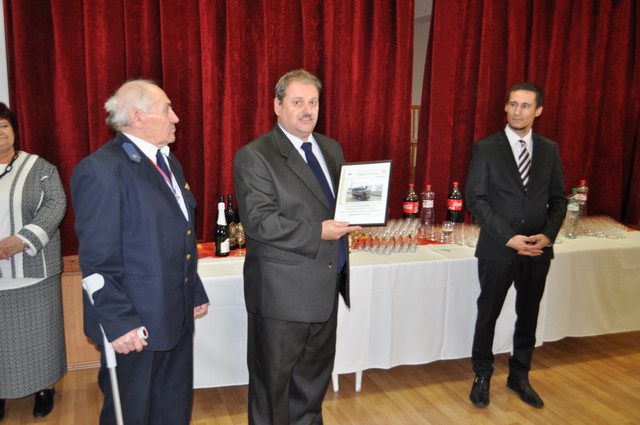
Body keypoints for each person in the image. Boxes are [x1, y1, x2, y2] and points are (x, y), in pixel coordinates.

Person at [70, 80, 209, 425]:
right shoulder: (102, 170)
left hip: (174, 313)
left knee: (172, 411)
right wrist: (119, 323)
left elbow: (180, 235)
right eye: (167, 109)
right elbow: (97, 259)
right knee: (131, 414)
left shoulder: (168, 163)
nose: (176, 118)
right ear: (136, 117)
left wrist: (194, 290)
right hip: (135, 324)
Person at [234, 69, 361, 424]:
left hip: (326, 287)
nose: (308, 110)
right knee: (272, 390)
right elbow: (260, 222)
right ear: (277, 106)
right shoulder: (256, 155)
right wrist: (319, 232)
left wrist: (359, 211)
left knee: (312, 386)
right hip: (282, 296)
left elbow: (339, 204)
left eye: (314, 102)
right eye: (298, 102)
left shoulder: (331, 148)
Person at [465, 82, 567, 408]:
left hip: (537, 249)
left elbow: (559, 199)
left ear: (538, 110)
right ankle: (482, 375)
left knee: (528, 315)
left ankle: (519, 375)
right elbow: (476, 199)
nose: (517, 111)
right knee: (488, 314)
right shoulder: (486, 147)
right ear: (505, 107)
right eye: (512, 104)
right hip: (498, 248)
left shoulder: (549, 149)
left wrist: (548, 235)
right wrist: (508, 237)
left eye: (525, 106)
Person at [0, 102, 67, 419]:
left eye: (4, 126)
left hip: (33, 268)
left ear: (14, 130)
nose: (0, 133)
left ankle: (44, 389)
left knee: (40, 335)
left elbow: (56, 205)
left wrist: (23, 239)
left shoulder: (39, 168)